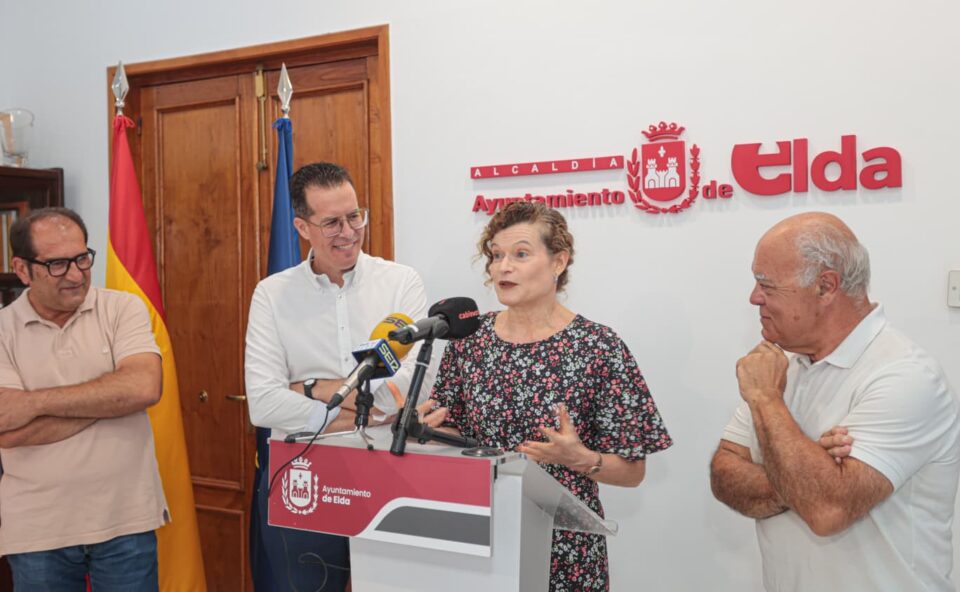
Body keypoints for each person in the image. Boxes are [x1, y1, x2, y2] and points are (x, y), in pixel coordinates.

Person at [428, 201, 672, 591]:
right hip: (479, 533)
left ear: (559, 261)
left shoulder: (598, 347)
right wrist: (424, 430)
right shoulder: (469, 339)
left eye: (521, 254)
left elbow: (633, 472)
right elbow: (455, 435)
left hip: (565, 550)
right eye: (496, 255)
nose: (503, 267)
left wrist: (581, 459)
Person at [710, 212, 960, 591]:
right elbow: (724, 473)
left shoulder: (905, 375)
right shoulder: (783, 364)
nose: (754, 297)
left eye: (767, 285)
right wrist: (803, 478)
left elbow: (828, 510)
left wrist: (766, 401)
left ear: (826, 287)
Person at [244, 162, 433, 591]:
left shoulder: (401, 282)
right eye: (331, 222)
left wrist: (310, 389)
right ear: (302, 227)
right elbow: (264, 405)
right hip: (303, 478)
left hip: (389, 475)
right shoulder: (271, 295)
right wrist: (371, 409)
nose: (348, 232)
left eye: (354, 216)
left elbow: (412, 387)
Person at [0, 207, 167, 590]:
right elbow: (8, 430)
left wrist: (33, 403)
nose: (76, 275)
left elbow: (144, 388)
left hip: (127, 520)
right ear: (22, 269)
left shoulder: (122, 308)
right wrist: (110, 399)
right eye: (57, 264)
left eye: (81, 258)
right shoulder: (2, 330)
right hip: (37, 530)